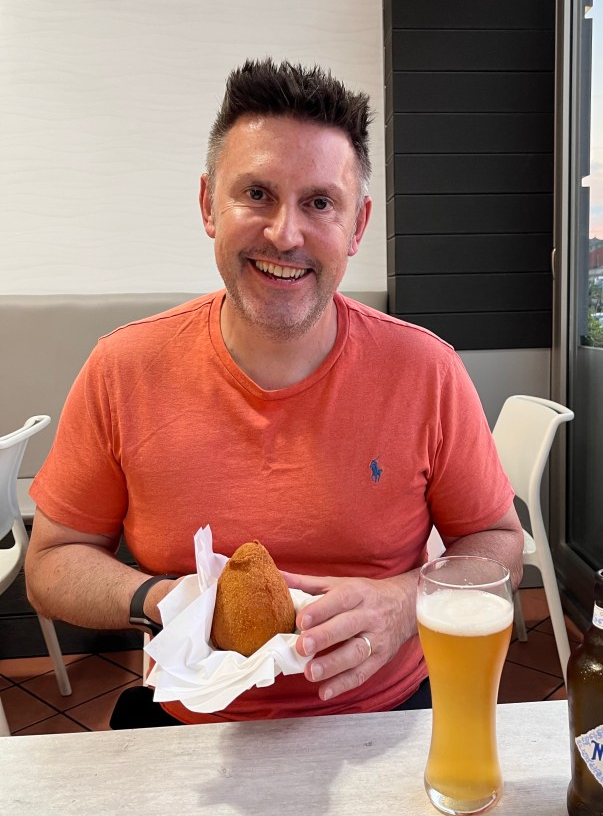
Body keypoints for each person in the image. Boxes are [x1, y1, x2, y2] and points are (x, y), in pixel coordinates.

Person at [25, 58, 524, 726]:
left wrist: (408, 603)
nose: (285, 234)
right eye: (257, 194)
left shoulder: (425, 370)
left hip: (385, 714)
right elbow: (51, 562)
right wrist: (161, 601)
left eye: (319, 202)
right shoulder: (123, 368)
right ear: (208, 204)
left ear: (357, 225)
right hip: (191, 726)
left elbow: (496, 540)